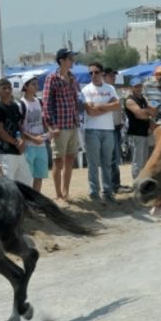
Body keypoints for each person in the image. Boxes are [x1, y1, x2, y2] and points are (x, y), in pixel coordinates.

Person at [43, 48, 81, 207]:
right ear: (62, 60)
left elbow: (75, 100)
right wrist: (52, 126)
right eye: (70, 58)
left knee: (70, 159)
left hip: (72, 124)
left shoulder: (72, 78)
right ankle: (58, 194)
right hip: (59, 126)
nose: (72, 60)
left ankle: (65, 192)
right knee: (58, 161)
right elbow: (47, 104)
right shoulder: (52, 78)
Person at [81, 62, 120, 204]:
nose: (93, 75)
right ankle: (94, 192)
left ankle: (108, 192)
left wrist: (99, 106)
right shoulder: (86, 90)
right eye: (90, 73)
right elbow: (90, 111)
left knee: (107, 163)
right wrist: (108, 106)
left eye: (96, 72)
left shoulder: (110, 88)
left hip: (108, 129)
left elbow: (117, 105)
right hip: (92, 129)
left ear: (102, 73)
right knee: (93, 164)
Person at [0, 78, 31, 185]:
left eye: (9, 88)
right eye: (4, 88)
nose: (8, 90)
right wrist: (16, 143)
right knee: (8, 184)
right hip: (3, 152)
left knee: (26, 182)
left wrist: (22, 140)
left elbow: (19, 125)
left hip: (17, 150)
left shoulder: (14, 106)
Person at [19, 76, 50, 191]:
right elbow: (20, 127)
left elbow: (43, 121)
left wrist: (49, 132)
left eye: (37, 84)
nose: (36, 86)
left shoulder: (39, 101)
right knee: (27, 177)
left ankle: (36, 202)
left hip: (41, 145)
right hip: (28, 146)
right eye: (33, 84)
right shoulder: (21, 104)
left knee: (39, 176)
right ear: (25, 86)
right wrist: (33, 138)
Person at [103, 68, 131, 193]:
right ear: (104, 76)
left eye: (114, 75)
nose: (113, 77)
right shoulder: (103, 91)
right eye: (110, 75)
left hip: (116, 126)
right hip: (107, 127)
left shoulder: (115, 90)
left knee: (115, 157)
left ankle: (115, 184)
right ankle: (112, 185)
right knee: (111, 157)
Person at [125, 78, 156, 179]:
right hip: (136, 134)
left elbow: (154, 112)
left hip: (144, 133)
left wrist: (146, 111)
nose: (138, 88)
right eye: (136, 86)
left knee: (144, 160)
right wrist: (147, 112)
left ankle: (142, 182)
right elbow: (140, 115)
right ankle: (136, 184)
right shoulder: (130, 100)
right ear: (131, 88)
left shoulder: (142, 98)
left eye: (139, 86)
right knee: (138, 161)